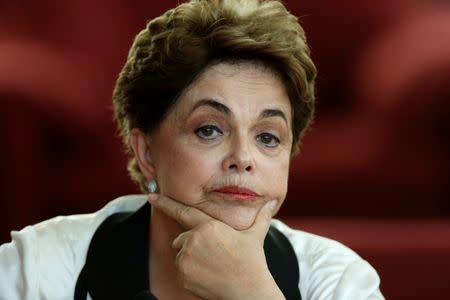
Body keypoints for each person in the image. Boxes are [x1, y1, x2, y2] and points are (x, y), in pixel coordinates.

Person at [0, 0, 384, 299]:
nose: (243, 159)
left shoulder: (338, 282)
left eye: (268, 137)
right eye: (209, 130)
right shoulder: (35, 270)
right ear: (147, 153)